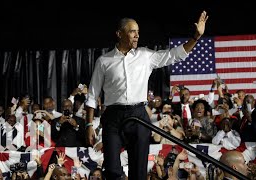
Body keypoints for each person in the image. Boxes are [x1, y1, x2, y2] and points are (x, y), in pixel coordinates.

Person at [85, 11, 208, 180]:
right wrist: (89, 125)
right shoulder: (104, 61)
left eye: (138, 32)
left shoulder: (145, 56)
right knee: (112, 169)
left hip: (138, 115)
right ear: (119, 33)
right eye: (132, 31)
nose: (137, 36)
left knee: (139, 172)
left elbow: (173, 55)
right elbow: (92, 94)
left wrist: (196, 37)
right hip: (113, 117)